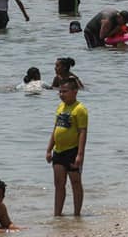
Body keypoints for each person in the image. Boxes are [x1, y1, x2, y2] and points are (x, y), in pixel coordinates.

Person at [46, 77, 88, 216]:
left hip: (72, 151)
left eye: (65, 91)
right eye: (60, 91)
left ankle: (77, 214)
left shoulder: (80, 109)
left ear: (75, 92)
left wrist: (80, 154)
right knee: (59, 184)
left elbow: (82, 132)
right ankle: (57, 214)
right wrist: (48, 149)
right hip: (58, 151)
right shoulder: (60, 107)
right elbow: (55, 128)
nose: (61, 94)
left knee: (75, 183)